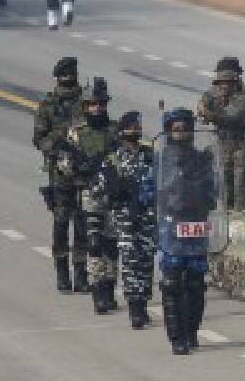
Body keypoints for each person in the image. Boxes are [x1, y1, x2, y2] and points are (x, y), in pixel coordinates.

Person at [156, 109, 217, 355]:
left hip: (196, 227)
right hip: (172, 226)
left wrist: (208, 199)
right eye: (176, 128)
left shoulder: (201, 159)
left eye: (185, 128)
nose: (180, 133)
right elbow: (151, 189)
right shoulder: (162, 160)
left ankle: (191, 331)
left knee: (195, 284)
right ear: (169, 131)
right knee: (171, 284)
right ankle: (176, 337)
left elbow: (215, 190)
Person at [90, 111, 157, 329]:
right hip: (123, 218)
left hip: (147, 217)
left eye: (137, 127)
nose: (135, 131)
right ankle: (135, 309)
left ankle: (143, 303)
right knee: (130, 262)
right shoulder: (112, 159)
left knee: (146, 262)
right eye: (130, 127)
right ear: (121, 132)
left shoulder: (150, 156)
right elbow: (97, 192)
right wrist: (95, 225)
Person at [32, 56, 87, 293]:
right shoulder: (47, 106)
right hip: (61, 171)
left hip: (84, 172)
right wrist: (59, 145)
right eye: (65, 77)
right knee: (62, 222)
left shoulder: (86, 102)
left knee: (84, 223)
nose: (68, 81)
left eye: (71, 76)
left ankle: (82, 273)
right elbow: (39, 138)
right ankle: (63, 273)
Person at [67, 78, 120, 315]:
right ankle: (98, 292)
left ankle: (109, 289)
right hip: (89, 193)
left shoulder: (114, 130)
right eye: (92, 104)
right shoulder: (77, 132)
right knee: (95, 244)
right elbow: (65, 163)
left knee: (111, 245)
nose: (97, 108)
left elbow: (125, 159)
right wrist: (81, 167)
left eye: (100, 104)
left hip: (113, 194)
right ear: (85, 106)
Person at [197, 57, 245, 211]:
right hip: (221, 142)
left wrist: (209, 114)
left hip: (239, 143)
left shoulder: (244, 95)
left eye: (227, 81)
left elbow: (232, 116)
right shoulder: (213, 93)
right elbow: (203, 106)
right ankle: (225, 213)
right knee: (223, 181)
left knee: (240, 182)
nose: (223, 85)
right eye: (221, 81)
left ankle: (238, 213)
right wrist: (202, 112)